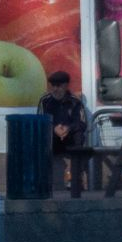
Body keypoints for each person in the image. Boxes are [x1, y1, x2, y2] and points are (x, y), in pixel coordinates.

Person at [38, 70, 90, 198]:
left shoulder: (75, 102)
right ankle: (41, 181)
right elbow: (39, 120)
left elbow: (82, 123)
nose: (56, 89)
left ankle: (75, 179)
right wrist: (54, 129)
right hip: (52, 139)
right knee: (39, 134)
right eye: (53, 86)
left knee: (79, 134)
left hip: (70, 138)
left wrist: (68, 128)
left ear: (66, 86)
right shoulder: (45, 101)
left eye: (59, 86)